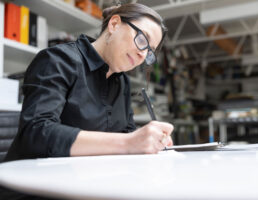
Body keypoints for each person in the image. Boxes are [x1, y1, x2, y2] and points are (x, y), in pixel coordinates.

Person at [0, 3, 173, 199]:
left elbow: (124, 130)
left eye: (150, 52)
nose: (143, 54)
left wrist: (147, 140)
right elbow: (37, 133)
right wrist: (129, 142)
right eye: (142, 39)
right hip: (33, 190)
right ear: (114, 24)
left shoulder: (122, 81)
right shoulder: (58, 61)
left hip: (84, 187)